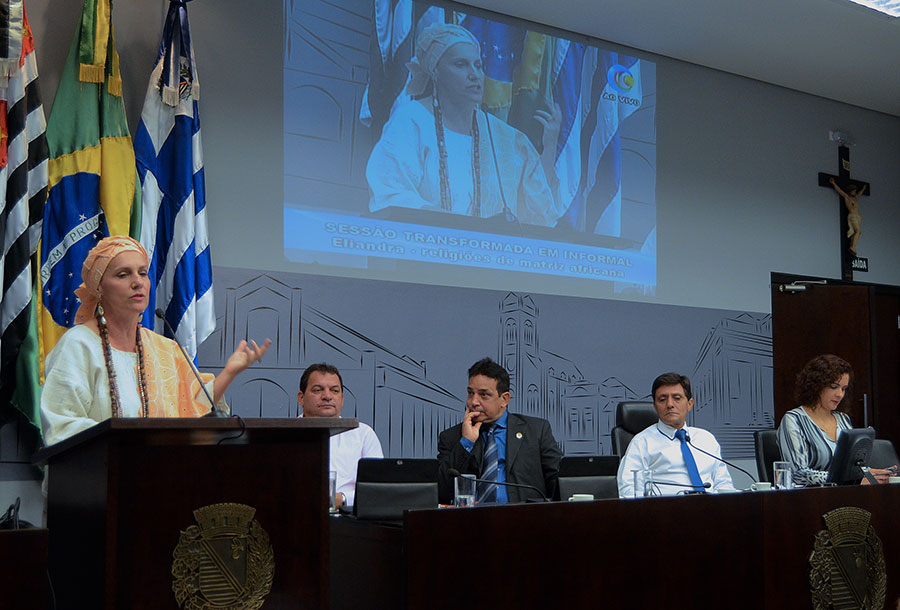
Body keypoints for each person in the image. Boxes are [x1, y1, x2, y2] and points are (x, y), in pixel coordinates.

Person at [40, 236, 271, 445]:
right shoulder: (78, 346)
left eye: (142, 273)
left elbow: (193, 406)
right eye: (123, 274)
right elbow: (62, 426)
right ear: (99, 287)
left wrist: (229, 372)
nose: (137, 282)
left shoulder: (166, 350)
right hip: (97, 478)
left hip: (160, 477)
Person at [366, 22, 566, 226]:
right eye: (460, 64)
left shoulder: (508, 138)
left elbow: (540, 213)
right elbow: (392, 194)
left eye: (478, 65)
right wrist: (463, 228)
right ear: (436, 72)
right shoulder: (410, 121)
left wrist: (549, 148)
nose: (475, 75)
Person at [437, 357, 561, 504]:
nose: (473, 402)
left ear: (504, 399)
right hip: (471, 521)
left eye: (484, 395)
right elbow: (442, 491)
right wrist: (466, 443)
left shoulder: (536, 431)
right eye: (470, 393)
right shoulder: (452, 437)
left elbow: (559, 482)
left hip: (524, 519)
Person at [777, 354, 893, 486]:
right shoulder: (794, 420)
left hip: (843, 494)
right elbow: (798, 474)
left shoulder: (843, 419)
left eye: (843, 389)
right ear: (816, 385)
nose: (840, 394)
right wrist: (850, 480)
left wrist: (872, 474)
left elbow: (851, 468)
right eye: (833, 387)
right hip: (811, 498)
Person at [617, 373, 734, 497]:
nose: (670, 404)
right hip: (666, 511)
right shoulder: (642, 442)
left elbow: (724, 485)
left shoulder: (706, 439)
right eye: (662, 399)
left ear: (690, 404)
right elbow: (628, 490)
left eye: (677, 398)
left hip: (711, 510)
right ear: (655, 407)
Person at [298, 363, 383, 508]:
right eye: (318, 390)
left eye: (334, 390)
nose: (327, 396)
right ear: (301, 398)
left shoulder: (362, 434)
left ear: (342, 399)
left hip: (350, 521)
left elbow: (378, 488)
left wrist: (343, 499)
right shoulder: (284, 435)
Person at [829, 176, 866, 256]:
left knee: (856, 233)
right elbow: (840, 191)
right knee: (858, 231)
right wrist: (833, 183)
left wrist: (863, 189)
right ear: (850, 191)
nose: (855, 192)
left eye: (855, 191)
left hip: (857, 217)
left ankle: (852, 247)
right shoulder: (847, 197)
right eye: (853, 191)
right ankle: (853, 247)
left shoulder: (855, 198)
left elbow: (860, 194)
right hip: (852, 216)